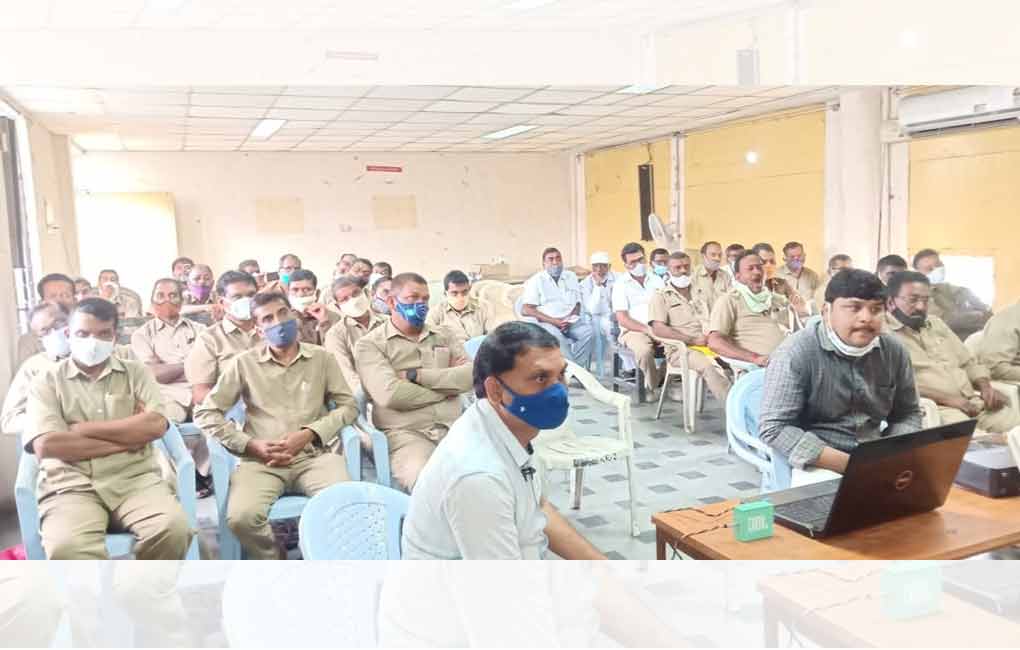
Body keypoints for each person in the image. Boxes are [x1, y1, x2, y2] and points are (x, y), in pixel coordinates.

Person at [401, 321, 605, 560]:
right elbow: (504, 582)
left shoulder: (511, 429)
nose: (558, 390)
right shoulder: (478, 477)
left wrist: (604, 568)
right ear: (496, 391)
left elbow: (537, 509)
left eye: (560, 375)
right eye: (540, 378)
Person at [24, 297, 192, 559]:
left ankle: (144, 586)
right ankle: (96, 590)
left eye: (103, 334)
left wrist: (82, 429)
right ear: (68, 335)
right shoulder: (46, 381)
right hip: (70, 486)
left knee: (172, 529)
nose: (93, 342)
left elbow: (156, 425)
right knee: (66, 546)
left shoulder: (136, 373)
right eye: (83, 334)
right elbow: (48, 445)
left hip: (135, 480)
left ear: (115, 337)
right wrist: (131, 438)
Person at [194, 292, 357, 560]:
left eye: (283, 313)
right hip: (262, 462)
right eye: (268, 319)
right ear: (259, 330)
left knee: (345, 506)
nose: (278, 322)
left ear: (294, 315)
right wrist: (249, 445)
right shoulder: (244, 363)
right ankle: (275, 558)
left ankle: (324, 559)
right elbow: (206, 413)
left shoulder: (322, 358)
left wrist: (310, 434)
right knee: (242, 517)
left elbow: (348, 406)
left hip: (314, 457)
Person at [759, 270, 923, 478]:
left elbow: (908, 413)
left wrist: (893, 452)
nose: (866, 318)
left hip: (875, 455)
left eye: (876, 309)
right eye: (854, 308)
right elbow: (775, 428)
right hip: (819, 461)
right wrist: (854, 466)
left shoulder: (893, 351)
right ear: (826, 311)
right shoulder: (796, 353)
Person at [354, 272, 473, 491]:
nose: (421, 305)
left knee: (490, 474)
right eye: (412, 298)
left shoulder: (444, 334)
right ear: (392, 302)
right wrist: (447, 389)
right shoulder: (370, 345)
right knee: (429, 485)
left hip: (455, 427)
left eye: (425, 299)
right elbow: (390, 395)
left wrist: (416, 376)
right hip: (407, 435)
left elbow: (471, 376)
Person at [885, 271, 1020, 437]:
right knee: (980, 443)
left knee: (1016, 428)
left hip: (975, 403)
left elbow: (969, 362)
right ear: (891, 302)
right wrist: (948, 399)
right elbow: (893, 386)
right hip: (938, 409)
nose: (921, 307)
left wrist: (985, 386)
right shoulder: (883, 335)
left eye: (925, 300)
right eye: (913, 300)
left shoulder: (935, 324)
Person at [131, 279, 210, 488]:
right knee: (162, 425)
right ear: (152, 302)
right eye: (160, 296)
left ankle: (204, 473)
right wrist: (192, 365)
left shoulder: (201, 329)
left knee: (217, 418)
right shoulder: (142, 335)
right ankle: (180, 481)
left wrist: (170, 368)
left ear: (181, 301)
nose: (167, 300)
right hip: (167, 394)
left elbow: (210, 367)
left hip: (201, 389)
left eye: (173, 295)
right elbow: (154, 374)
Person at [648, 252, 731, 401]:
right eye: (677, 268)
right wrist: (692, 340)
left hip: (709, 343)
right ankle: (737, 410)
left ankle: (750, 402)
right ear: (668, 270)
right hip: (681, 350)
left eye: (686, 267)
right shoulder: (661, 296)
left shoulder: (702, 292)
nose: (683, 271)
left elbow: (717, 315)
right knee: (710, 367)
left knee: (742, 361)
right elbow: (658, 328)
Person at [707, 251, 799, 367]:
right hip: (761, 367)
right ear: (738, 276)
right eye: (750, 269)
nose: (757, 272)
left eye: (759, 267)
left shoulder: (776, 299)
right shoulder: (729, 300)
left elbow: (799, 327)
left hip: (791, 362)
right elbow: (715, 342)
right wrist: (755, 358)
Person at [184, 270, 261, 407]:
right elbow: (200, 393)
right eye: (237, 297)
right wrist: (240, 405)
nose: (246, 301)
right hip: (232, 410)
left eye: (251, 295)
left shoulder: (271, 330)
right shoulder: (209, 339)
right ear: (222, 302)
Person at [2, 303, 71, 440]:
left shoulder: (97, 356)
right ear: (39, 338)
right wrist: (52, 421)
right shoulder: (33, 367)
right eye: (45, 331)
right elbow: (9, 421)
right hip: (56, 440)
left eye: (58, 323)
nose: (54, 332)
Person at [521, 247, 594, 366]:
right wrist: (555, 322)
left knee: (588, 332)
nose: (555, 262)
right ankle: (573, 370)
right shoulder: (536, 280)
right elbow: (526, 309)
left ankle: (575, 368)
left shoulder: (571, 276)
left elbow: (577, 303)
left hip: (569, 322)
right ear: (544, 264)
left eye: (558, 258)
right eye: (551, 259)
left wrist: (571, 318)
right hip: (548, 322)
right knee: (557, 337)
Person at [612, 242, 666, 399]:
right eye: (633, 262)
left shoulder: (657, 281)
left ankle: (663, 379)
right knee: (644, 351)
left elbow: (666, 307)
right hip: (633, 331)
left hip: (659, 326)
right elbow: (623, 319)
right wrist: (648, 330)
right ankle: (652, 387)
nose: (638, 264)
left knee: (680, 346)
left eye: (640, 259)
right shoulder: (620, 285)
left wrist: (662, 330)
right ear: (626, 265)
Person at [324, 276, 387, 393]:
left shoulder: (389, 322)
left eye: (356, 293)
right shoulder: (335, 335)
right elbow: (347, 376)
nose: (353, 301)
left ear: (366, 293)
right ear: (338, 306)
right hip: (364, 395)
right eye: (344, 299)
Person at [912, 248, 992, 341]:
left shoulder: (947, 288)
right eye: (929, 269)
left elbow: (988, 314)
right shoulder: (918, 297)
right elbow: (943, 322)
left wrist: (981, 313)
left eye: (938, 265)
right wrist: (977, 316)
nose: (936, 270)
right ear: (918, 273)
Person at [17, 273, 75, 366]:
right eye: (52, 296)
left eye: (65, 295)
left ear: (74, 300)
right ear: (42, 302)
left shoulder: (90, 331)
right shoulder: (29, 341)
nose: (59, 300)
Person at [426, 270, 498, 344]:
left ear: (469, 290)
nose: (460, 297)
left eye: (464, 292)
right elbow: (427, 341)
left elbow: (493, 336)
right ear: (445, 293)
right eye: (454, 293)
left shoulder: (484, 307)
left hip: (480, 349)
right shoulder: (436, 313)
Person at [286, 269, 339, 345]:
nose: (301, 294)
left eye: (307, 289)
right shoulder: (283, 320)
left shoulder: (333, 318)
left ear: (317, 293)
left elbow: (336, 347)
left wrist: (324, 323)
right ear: (288, 293)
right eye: (295, 290)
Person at [579, 251, 615, 348]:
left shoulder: (618, 278)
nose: (599, 269)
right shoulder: (585, 284)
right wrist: (598, 286)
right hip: (596, 317)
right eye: (595, 266)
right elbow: (593, 309)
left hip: (616, 314)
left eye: (602, 266)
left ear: (609, 266)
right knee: (609, 327)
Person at [693, 241, 731, 306]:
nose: (717, 258)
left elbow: (730, 300)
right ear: (703, 256)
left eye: (720, 255)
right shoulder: (693, 275)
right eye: (713, 255)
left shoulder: (725, 276)